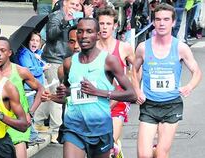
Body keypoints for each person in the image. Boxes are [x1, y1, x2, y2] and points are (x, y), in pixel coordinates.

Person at [56, 17, 137, 158]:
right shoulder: (69, 63)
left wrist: (98, 92)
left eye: (89, 31)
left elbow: (132, 94)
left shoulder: (109, 61)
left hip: (100, 128)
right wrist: (63, 92)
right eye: (80, 32)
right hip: (74, 127)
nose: (84, 36)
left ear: (98, 35)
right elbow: (69, 92)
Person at [132, 3, 202, 158]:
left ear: (173, 22)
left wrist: (189, 86)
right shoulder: (143, 48)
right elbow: (134, 70)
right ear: (153, 22)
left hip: (172, 105)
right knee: (143, 155)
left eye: (166, 19)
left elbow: (197, 72)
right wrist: (137, 90)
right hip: (149, 104)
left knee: (162, 154)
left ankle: (158, 151)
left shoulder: (181, 48)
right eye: (158, 19)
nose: (161, 23)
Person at [0, 37, 44, 158]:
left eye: (2, 50)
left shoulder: (20, 71)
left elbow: (40, 89)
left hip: (17, 125)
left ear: (9, 52)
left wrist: (30, 113)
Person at [96, 6, 135, 158]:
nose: (104, 27)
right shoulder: (92, 49)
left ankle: (113, 148)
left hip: (119, 99)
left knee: (109, 142)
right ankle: (117, 151)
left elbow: (136, 68)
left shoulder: (124, 47)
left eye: (108, 24)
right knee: (97, 145)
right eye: (101, 23)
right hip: (98, 99)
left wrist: (135, 87)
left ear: (115, 26)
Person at [40, 0, 81, 143]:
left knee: (52, 95)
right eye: (72, 4)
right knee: (58, 95)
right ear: (65, 4)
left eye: (77, 5)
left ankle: (37, 122)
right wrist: (65, 21)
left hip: (67, 60)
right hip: (54, 60)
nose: (75, 7)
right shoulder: (57, 16)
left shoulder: (77, 19)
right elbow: (50, 35)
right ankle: (56, 131)